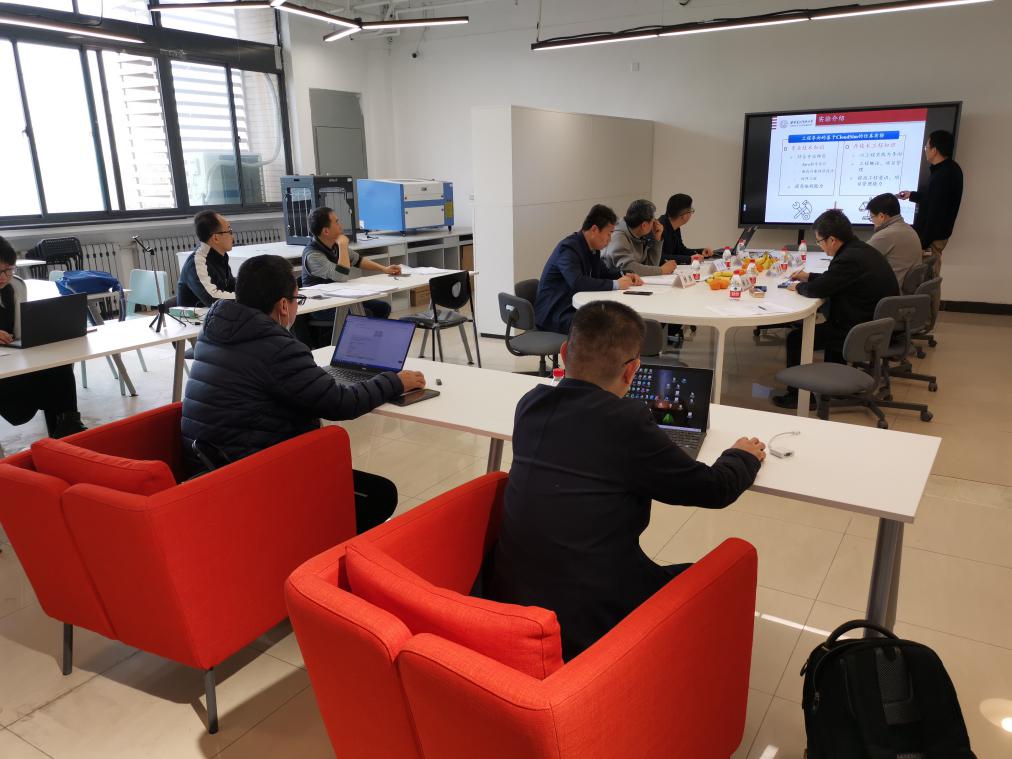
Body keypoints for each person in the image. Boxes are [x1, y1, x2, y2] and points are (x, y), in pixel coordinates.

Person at [486, 300, 765, 660]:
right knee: (716, 579)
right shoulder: (626, 422)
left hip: (509, 598)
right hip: (587, 620)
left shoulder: (530, 404)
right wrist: (742, 455)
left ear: (565, 352)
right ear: (632, 370)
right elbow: (714, 489)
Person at [180, 254, 426, 532]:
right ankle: (318, 546)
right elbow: (342, 403)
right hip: (252, 479)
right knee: (380, 495)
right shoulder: (276, 347)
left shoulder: (214, 330)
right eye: (298, 299)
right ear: (284, 305)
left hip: (210, 467)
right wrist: (394, 382)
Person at [772, 210, 899, 410]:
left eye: (820, 241)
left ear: (832, 240)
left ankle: (798, 396)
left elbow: (818, 290)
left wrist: (798, 286)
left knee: (796, 338)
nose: (820, 246)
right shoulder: (859, 250)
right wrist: (809, 276)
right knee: (830, 322)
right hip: (876, 324)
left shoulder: (848, 259)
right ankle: (837, 387)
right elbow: (836, 280)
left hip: (860, 330)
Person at [0, 236, 86, 438]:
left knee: (58, 365)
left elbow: (20, 330)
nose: (4, 277)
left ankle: (68, 426)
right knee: (49, 384)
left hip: (13, 360)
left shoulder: (16, 286)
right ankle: (64, 427)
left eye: (9, 270)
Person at [534, 204, 643, 334]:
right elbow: (577, 282)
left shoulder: (591, 248)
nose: (609, 240)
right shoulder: (568, 248)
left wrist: (625, 274)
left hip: (573, 308)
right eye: (609, 234)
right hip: (555, 313)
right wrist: (616, 284)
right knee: (605, 325)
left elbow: (603, 273)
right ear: (594, 229)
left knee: (613, 320)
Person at [302, 206, 400, 319]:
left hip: (339, 297)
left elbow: (358, 260)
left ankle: (372, 331)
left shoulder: (333, 244)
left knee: (383, 308)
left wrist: (384, 269)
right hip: (321, 306)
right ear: (326, 231)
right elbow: (341, 276)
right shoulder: (313, 255)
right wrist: (343, 245)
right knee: (364, 314)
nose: (340, 225)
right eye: (336, 222)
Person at [898, 130, 963, 275]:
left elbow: (936, 212)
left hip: (932, 238)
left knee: (927, 277)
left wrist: (923, 243)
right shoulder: (950, 168)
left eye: (926, 147)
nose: (925, 150)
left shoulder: (942, 175)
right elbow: (933, 198)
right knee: (928, 277)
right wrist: (911, 195)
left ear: (935, 150)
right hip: (936, 235)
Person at [177, 210, 237, 308]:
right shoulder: (197, 262)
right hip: (197, 316)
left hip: (215, 313)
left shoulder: (221, 255)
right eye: (229, 231)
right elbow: (212, 298)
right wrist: (246, 297)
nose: (232, 236)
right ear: (216, 238)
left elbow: (230, 285)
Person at [601, 199, 671, 276]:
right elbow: (628, 269)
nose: (655, 224)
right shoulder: (618, 237)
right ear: (644, 225)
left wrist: (657, 239)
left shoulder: (639, 234)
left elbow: (651, 265)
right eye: (653, 221)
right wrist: (661, 270)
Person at [866, 193, 923, 287]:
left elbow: (860, 258)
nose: (872, 221)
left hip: (890, 290)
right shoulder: (908, 229)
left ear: (881, 216)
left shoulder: (886, 234)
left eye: (871, 217)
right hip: (905, 290)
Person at [659, 193, 714, 265]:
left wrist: (701, 252)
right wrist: (689, 259)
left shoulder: (674, 226)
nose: (691, 213)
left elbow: (681, 250)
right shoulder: (659, 228)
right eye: (691, 210)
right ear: (684, 216)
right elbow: (660, 257)